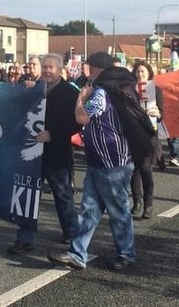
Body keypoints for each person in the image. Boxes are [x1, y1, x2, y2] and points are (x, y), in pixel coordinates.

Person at [47, 52, 137, 271]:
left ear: (98, 69)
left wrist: (81, 98)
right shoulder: (110, 90)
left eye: (89, 67)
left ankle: (126, 253)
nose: (86, 72)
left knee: (118, 210)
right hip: (100, 160)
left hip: (112, 162)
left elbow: (82, 117)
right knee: (89, 209)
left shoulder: (101, 93)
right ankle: (77, 253)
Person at [8, 54, 81, 255]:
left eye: (51, 67)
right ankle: (25, 237)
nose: (47, 71)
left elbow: (77, 123)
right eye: (45, 67)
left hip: (56, 152)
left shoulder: (70, 92)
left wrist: (53, 134)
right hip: (31, 153)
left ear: (59, 69)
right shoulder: (33, 88)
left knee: (63, 194)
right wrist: (25, 89)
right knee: (28, 194)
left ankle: (72, 233)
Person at [129, 61, 163, 219]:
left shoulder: (156, 90)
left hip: (149, 133)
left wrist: (158, 113)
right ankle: (137, 201)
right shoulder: (129, 90)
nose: (140, 74)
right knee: (134, 169)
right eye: (137, 71)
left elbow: (162, 114)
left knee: (145, 168)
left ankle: (148, 204)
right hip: (133, 133)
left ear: (149, 73)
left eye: (143, 71)